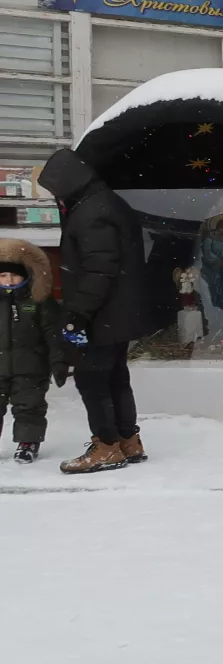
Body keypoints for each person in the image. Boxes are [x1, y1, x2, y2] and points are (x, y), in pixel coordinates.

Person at [39, 148, 157, 475]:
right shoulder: (108, 203)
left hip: (102, 313)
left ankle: (106, 446)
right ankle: (128, 440)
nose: (55, 196)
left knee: (92, 380)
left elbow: (99, 270)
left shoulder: (92, 212)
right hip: (117, 312)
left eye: (55, 189)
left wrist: (77, 315)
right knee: (116, 377)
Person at [0, 239, 68, 463]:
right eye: (3, 276)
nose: (9, 280)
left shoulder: (38, 301)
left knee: (29, 407)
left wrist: (58, 362)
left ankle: (28, 443)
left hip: (31, 367)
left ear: (27, 275)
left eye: (14, 275)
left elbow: (53, 334)